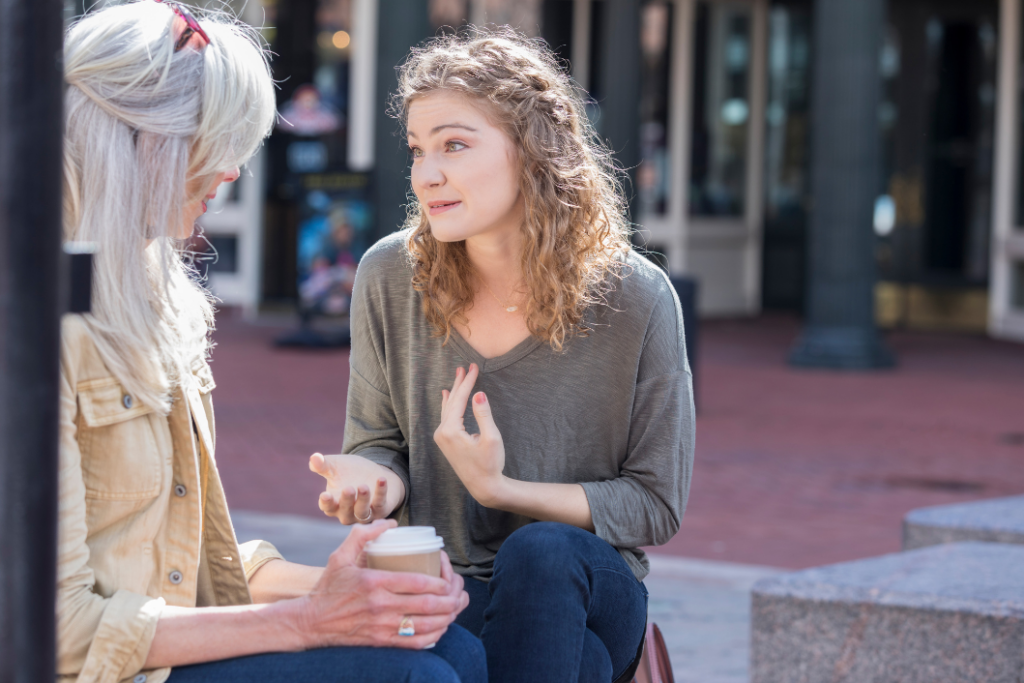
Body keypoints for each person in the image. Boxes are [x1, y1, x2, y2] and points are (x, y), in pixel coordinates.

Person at [58, 3, 485, 682]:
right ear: (140, 141)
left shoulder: (147, 300)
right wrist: (312, 617)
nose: (231, 172)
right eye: (214, 142)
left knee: (449, 645)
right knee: (417, 675)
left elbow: (192, 560)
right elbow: (57, 629)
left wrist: (354, 587)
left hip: (151, 649)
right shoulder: (31, 324)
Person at [310, 29, 695, 683]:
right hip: (449, 583)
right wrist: (370, 481)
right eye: (418, 150)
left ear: (534, 151)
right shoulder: (388, 276)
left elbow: (655, 504)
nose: (427, 174)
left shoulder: (637, 298)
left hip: (589, 582)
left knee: (540, 554)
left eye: (454, 145)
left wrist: (500, 488)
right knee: (580, 663)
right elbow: (378, 443)